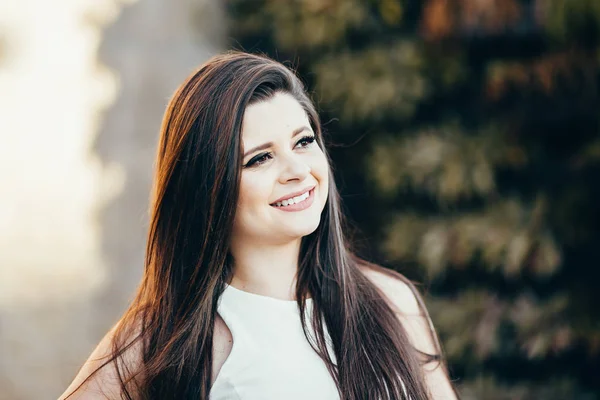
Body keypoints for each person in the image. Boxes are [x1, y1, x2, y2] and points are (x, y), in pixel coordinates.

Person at [59, 51, 458, 400]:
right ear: (208, 187)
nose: (297, 170)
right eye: (259, 159)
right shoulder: (167, 337)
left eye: (303, 142)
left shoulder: (392, 300)